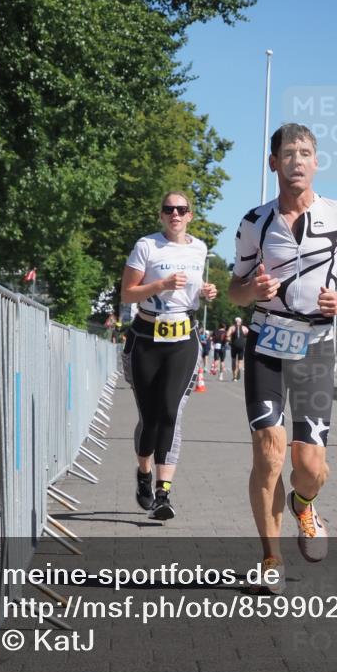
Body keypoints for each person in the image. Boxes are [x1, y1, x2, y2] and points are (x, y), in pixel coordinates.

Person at [228, 123, 337, 591]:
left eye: (306, 153)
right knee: (269, 452)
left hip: (316, 347)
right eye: (288, 153)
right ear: (273, 162)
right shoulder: (254, 222)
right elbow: (235, 290)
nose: (297, 160)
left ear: (316, 162)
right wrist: (252, 289)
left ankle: (304, 504)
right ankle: (271, 558)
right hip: (267, 343)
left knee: (308, 466)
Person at [120, 191, 217, 521]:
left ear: (190, 215)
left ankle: (163, 494)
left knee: (170, 413)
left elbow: (194, 289)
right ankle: (144, 474)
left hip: (182, 339)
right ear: (161, 215)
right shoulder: (147, 246)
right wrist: (158, 285)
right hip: (146, 337)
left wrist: (205, 291)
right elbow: (128, 292)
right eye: (168, 209)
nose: (175, 214)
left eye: (181, 209)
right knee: (149, 419)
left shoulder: (199, 248)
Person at [226, 316, 249, 381]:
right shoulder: (244, 328)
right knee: (240, 361)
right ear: (241, 322)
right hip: (242, 346)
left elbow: (227, 335)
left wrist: (229, 339)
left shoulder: (232, 327)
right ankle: (238, 372)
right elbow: (249, 334)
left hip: (234, 345)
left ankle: (234, 376)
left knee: (233, 360)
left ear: (235, 321)